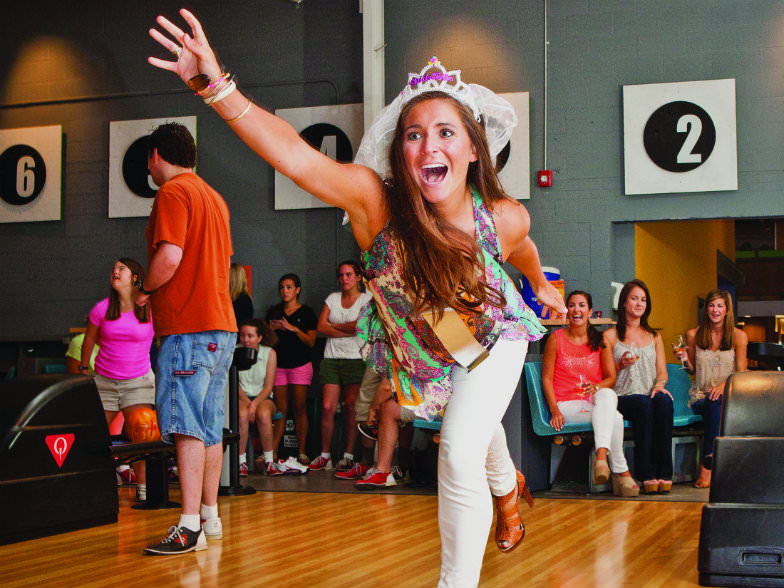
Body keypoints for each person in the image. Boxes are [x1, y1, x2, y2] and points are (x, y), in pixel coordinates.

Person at [148, 13, 565, 585]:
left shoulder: (502, 216)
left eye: (445, 132)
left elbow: (523, 248)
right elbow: (295, 157)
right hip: (435, 334)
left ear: (472, 148)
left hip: (497, 332)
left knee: (460, 446)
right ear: (400, 153)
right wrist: (216, 86)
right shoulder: (376, 202)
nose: (428, 144)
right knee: (465, 419)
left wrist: (540, 284)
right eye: (414, 134)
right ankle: (507, 488)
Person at [137, 122, 237, 555]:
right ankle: (210, 517)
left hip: (187, 327)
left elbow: (170, 255)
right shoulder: (215, 199)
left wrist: (144, 290)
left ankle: (188, 526)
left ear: (156, 155)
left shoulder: (172, 194)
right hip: (222, 326)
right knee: (210, 427)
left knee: (185, 427)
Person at [542, 290, 639, 498]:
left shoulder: (599, 341)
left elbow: (610, 379)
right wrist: (554, 409)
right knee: (615, 417)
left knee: (607, 395)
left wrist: (596, 387)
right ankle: (620, 471)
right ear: (567, 310)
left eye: (582, 305)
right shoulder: (555, 339)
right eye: (572, 305)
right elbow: (547, 378)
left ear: (590, 311)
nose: (576, 309)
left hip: (592, 401)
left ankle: (602, 456)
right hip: (567, 404)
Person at [80, 258, 155, 501]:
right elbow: (89, 340)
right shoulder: (102, 308)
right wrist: (83, 369)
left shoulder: (149, 307)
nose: (115, 271)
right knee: (96, 436)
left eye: (121, 268)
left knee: (143, 433)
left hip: (138, 383)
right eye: (113, 268)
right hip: (104, 382)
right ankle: (95, 486)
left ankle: (144, 488)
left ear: (135, 277)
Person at [605, 279, 673, 494]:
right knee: (644, 405)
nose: (639, 303)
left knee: (664, 402)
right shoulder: (610, 336)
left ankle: (665, 473)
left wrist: (660, 385)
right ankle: (647, 474)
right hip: (622, 397)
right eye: (634, 298)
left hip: (648, 394)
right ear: (623, 302)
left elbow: (662, 372)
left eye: (643, 300)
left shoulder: (654, 336)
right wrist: (619, 364)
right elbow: (604, 375)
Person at [680, 288, 748, 489]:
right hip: (700, 397)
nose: (715, 310)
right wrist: (684, 360)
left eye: (719, 306)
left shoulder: (739, 336)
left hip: (731, 397)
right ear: (706, 309)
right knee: (712, 401)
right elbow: (691, 370)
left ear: (727, 310)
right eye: (711, 305)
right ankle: (711, 462)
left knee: (716, 401)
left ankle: (707, 466)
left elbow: (742, 374)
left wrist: (723, 385)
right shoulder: (693, 334)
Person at [309, 261, 372, 471]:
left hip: (356, 357)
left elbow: (360, 326)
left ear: (358, 277)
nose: (344, 279)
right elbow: (320, 327)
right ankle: (325, 455)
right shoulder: (332, 298)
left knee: (351, 407)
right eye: (341, 275)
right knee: (327, 407)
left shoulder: (366, 299)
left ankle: (348, 455)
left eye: (348, 275)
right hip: (331, 357)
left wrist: (332, 326)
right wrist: (344, 329)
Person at [265, 273, 318, 465]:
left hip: (300, 364)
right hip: (278, 365)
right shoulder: (274, 311)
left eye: (288, 287)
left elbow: (311, 341)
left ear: (297, 290)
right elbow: (266, 342)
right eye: (282, 287)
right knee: (280, 409)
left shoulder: (306, 313)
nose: (284, 291)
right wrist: (270, 329)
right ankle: (272, 452)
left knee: (299, 407)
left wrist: (293, 329)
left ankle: (302, 451)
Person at [236, 319, 279, 476]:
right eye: (242, 335)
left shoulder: (270, 353)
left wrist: (254, 404)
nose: (246, 340)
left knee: (263, 413)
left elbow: (268, 387)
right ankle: (241, 463)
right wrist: (248, 404)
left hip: (263, 398)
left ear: (260, 338)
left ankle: (269, 460)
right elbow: (234, 385)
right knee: (242, 414)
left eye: (250, 336)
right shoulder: (234, 351)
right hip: (241, 397)